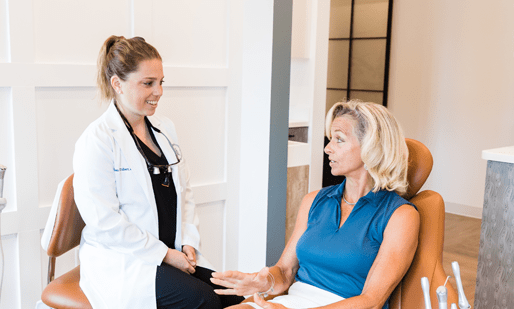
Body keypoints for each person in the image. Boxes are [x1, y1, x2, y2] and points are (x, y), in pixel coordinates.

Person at [73, 35, 244, 309]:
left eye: (160, 82)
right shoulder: (97, 140)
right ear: (117, 84)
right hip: (127, 260)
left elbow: (184, 192)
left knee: (234, 297)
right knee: (206, 302)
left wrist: (188, 241)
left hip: (173, 252)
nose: (159, 92)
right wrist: (164, 254)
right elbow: (103, 222)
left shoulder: (165, 129)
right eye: (148, 83)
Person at [210, 101, 420, 309]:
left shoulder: (399, 216)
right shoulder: (314, 201)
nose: (328, 148)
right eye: (330, 139)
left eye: (339, 140)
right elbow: (284, 271)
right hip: (292, 302)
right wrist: (263, 281)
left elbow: (371, 301)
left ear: (371, 148)